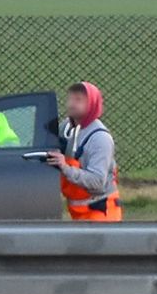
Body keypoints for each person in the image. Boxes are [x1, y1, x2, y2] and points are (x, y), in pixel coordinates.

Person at [47, 81, 123, 221]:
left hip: (101, 212)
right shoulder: (66, 127)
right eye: (70, 98)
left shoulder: (100, 138)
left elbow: (97, 181)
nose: (71, 104)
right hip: (79, 213)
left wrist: (65, 167)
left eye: (78, 100)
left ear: (92, 104)